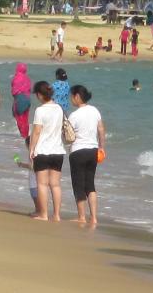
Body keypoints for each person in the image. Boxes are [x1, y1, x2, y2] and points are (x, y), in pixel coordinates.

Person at [66, 84, 106, 228]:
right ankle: (94, 218)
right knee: (90, 185)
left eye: (71, 96)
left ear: (77, 96)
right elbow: (101, 129)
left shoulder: (74, 115)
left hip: (78, 152)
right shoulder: (95, 111)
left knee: (78, 185)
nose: (71, 99)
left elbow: (68, 137)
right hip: (93, 151)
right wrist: (102, 147)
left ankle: (82, 217)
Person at [28, 81, 66, 221]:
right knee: (55, 184)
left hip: (43, 151)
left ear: (39, 94)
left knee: (42, 184)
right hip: (58, 151)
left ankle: (44, 214)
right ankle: (56, 215)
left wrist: (31, 149)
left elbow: (36, 131)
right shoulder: (59, 108)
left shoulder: (40, 110)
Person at [10, 62, 33, 140]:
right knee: (25, 119)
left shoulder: (16, 78)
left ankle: (22, 136)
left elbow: (14, 91)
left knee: (19, 119)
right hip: (27, 99)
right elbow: (30, 89)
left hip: (19, 99)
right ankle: (26, 136)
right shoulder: (28, 79)